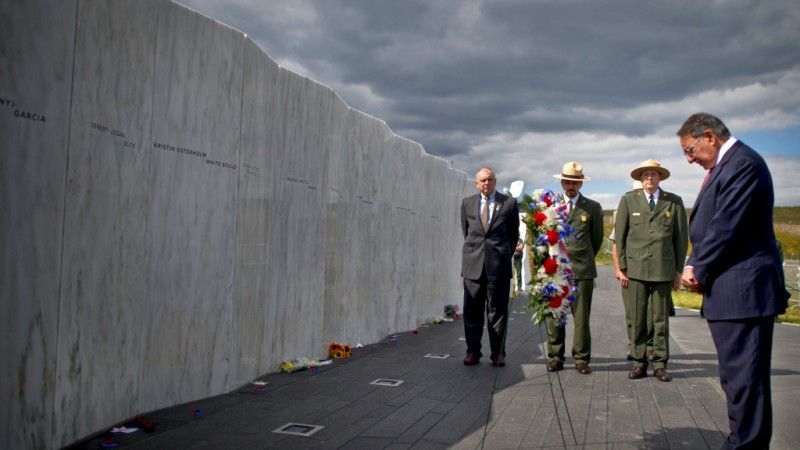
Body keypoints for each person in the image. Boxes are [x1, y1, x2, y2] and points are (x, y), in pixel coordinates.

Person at [678, 113, 788, 448]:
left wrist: (695, 267)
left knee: (745, 382)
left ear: (709, 136)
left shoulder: (743, 164)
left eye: (690, 149)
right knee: (737, 380)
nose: (689, 158)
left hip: (744, 291)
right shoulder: (728, 166)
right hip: (732, 292)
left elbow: (726, 226)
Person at [615, 160, 688, 382]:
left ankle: (659, 364)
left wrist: (678, 271)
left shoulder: (673, 203)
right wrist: (623, 267)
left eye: (653, 174)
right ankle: (639, 363)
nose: (649, 178)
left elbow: (680, 240)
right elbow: (620, 236)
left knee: (660, 320)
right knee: (637, 318)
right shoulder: (629, 200)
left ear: (660, 178)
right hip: (635, 270)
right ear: (640, 178)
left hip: (662, 270)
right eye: (645, 174)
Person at [545, 162, 603, 374]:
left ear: (581, 185)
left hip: (582, 271)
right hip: (556, 271)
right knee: (555, 316)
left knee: (581, 318)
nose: (571, 186)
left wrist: (582, 259)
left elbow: (596, 240)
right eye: (568, 181)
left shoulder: (592, 207)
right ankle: (556, 357)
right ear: (562, 182)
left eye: (575, 182)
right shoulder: (550, 206)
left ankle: (581, 358)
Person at [461, 167, 520, 367]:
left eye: (490, 180)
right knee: (472, 311)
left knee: (498, 312)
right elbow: (467, 231)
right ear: (477, 183)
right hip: (473, 265)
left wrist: (502, 254)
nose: (487, 183)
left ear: (495, 181)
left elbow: (513, 235)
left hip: (498, 266)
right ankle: (473, 351)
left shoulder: (509, 204)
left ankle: (497, 353)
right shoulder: (467, 203)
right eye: (483, 180)